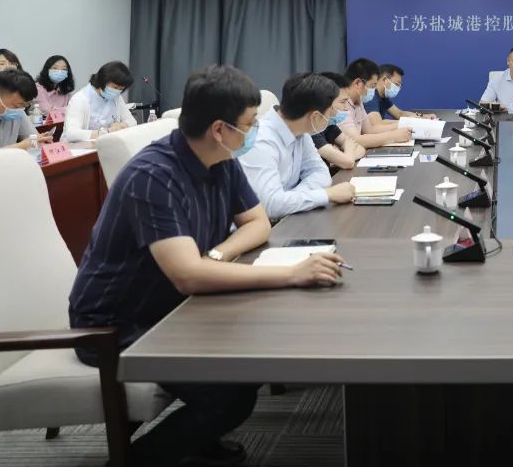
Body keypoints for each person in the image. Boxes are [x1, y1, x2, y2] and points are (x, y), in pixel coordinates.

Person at [69, 65, 347, 467]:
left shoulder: (221, 159)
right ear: (219, 129)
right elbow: (188, 276)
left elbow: (257, 222)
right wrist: (291, 274)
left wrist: (217, 255)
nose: (255, 131)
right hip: (118, 324)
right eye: (249, 124)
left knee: (245, 366)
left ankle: (194, 437)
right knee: (229, 395)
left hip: (172, 306)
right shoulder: (154, 176)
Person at [239, 72, 356, 221]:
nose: (331, 117)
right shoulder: (260, 140)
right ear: (315, 116)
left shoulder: (301, 131)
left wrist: (289, 199)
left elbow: (321, 173)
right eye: (329, 112)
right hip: (256, 227)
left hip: (286, 218)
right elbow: (271, 206)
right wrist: (327, 194)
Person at [337, 59, 413, 149]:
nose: (374, 90)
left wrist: (403, 125)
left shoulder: (358, 101)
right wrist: (393, 136)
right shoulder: (341, 103)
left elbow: (370, 129)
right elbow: (356, 140)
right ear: (358, 83)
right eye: (372, 86)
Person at [62, 61, 138, 142]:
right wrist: (104, 133)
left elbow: (132, 121)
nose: (117, 91)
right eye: (115, 87)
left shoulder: (116, 97)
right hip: (77, 147)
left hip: (105, 144)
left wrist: (121, 125)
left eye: (121, 89)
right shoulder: (80, 99)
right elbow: (72, 134)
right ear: (103, 81)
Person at [0, 69, 54, 151]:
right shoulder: (12, 110)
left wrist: (40, 141)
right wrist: (21, 146)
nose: (19, 110)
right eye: (16, 106)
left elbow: (32, 138)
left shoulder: (17, 111)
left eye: (24, 106)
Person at [314, 71, 367, 170]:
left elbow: (361, 149)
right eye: (343, 102)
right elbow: (348, 163)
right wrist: (346, 153)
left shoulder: (329, 125)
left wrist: (340, 156)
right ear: (325, 101)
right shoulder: (312, 132)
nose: (346, 108)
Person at [365, 63, 437, 121]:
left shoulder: (383, 97)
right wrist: (410, 122)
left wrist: (423, 117)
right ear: (384, 80)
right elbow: (377, 124)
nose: (398, 88)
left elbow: (399, 114)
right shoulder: (370, 96)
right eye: (396, 84)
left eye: (400, 85)